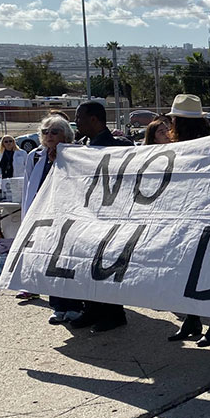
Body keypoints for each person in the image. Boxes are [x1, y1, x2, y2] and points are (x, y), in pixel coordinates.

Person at [159, 95, 210, 348]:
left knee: (207, 272)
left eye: (173, 119)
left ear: (178, 121)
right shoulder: (177, 145)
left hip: (206, 217)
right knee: (185, 271)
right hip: (182, 218)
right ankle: (192, 320)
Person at [68, 101, 133, 332]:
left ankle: (114, 313)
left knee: (105, 265)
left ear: (94, 119)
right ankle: (92, 308)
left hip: (109, 216)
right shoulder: (81, 148)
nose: (76, 122)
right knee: (87, 263)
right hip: (87, 216)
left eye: (79, 118)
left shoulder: (115, 147)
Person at [21, 116, 84, 324]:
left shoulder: (77, 155)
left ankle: (75, 306)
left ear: (66, 135)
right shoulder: (35, 156)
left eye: (54, 132)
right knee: (49, 262)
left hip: (69, 218)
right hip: (44, 218)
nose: (49, 136)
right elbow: (29, 186)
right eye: (45, 132)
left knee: (69, 263)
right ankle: (57, 306)